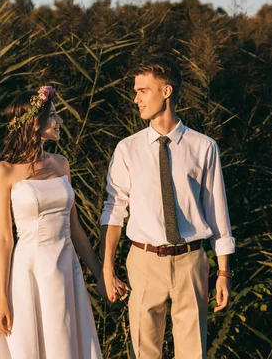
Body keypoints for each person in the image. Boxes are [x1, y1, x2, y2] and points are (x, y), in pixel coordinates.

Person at [99, 57, 235, 359]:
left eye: (143, 91)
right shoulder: (127, 149)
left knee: (193, 353)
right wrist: (107, 268)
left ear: (166, 91)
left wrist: (224, 272)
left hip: (192, 261)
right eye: (136, 91)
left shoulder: (203, 147)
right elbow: (114, 209)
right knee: (143, 353)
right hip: (144, 262)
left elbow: (217, 211)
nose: (136, 99)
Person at [0, 86, 127, 358]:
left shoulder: (61, 163)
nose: (60, 121)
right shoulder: (3, 171)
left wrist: (102, 275)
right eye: (53, 115)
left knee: (65, 341)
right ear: (33, 122)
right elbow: (4, 238)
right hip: (29, 270)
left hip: (65, 267)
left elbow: (75, 229)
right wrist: (3, 297)